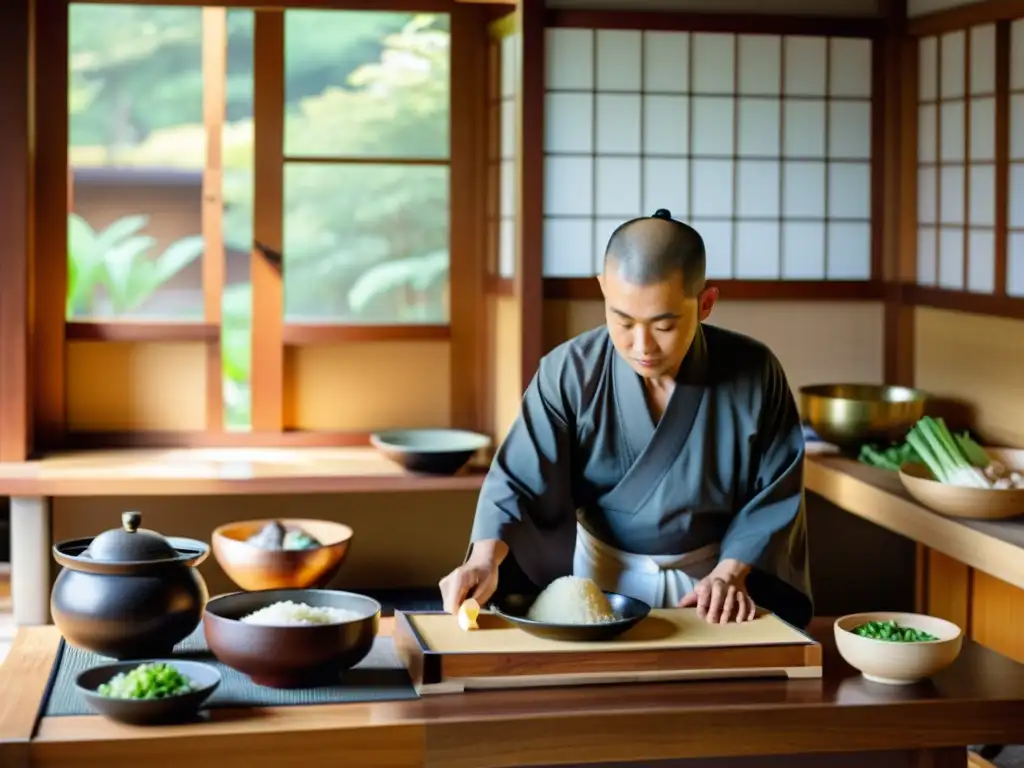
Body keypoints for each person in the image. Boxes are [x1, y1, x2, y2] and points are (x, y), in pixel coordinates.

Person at [439, 209, 812, 627]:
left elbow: (776, 492)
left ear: (705, 303)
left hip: (712, 589)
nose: (641, 345)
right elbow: (518, 479)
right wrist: (484, 559)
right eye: (622, 320)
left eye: (664, 325)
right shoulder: (569, 372)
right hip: (600, 586)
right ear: (603, 289)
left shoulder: (755, 372)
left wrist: (729, 574)